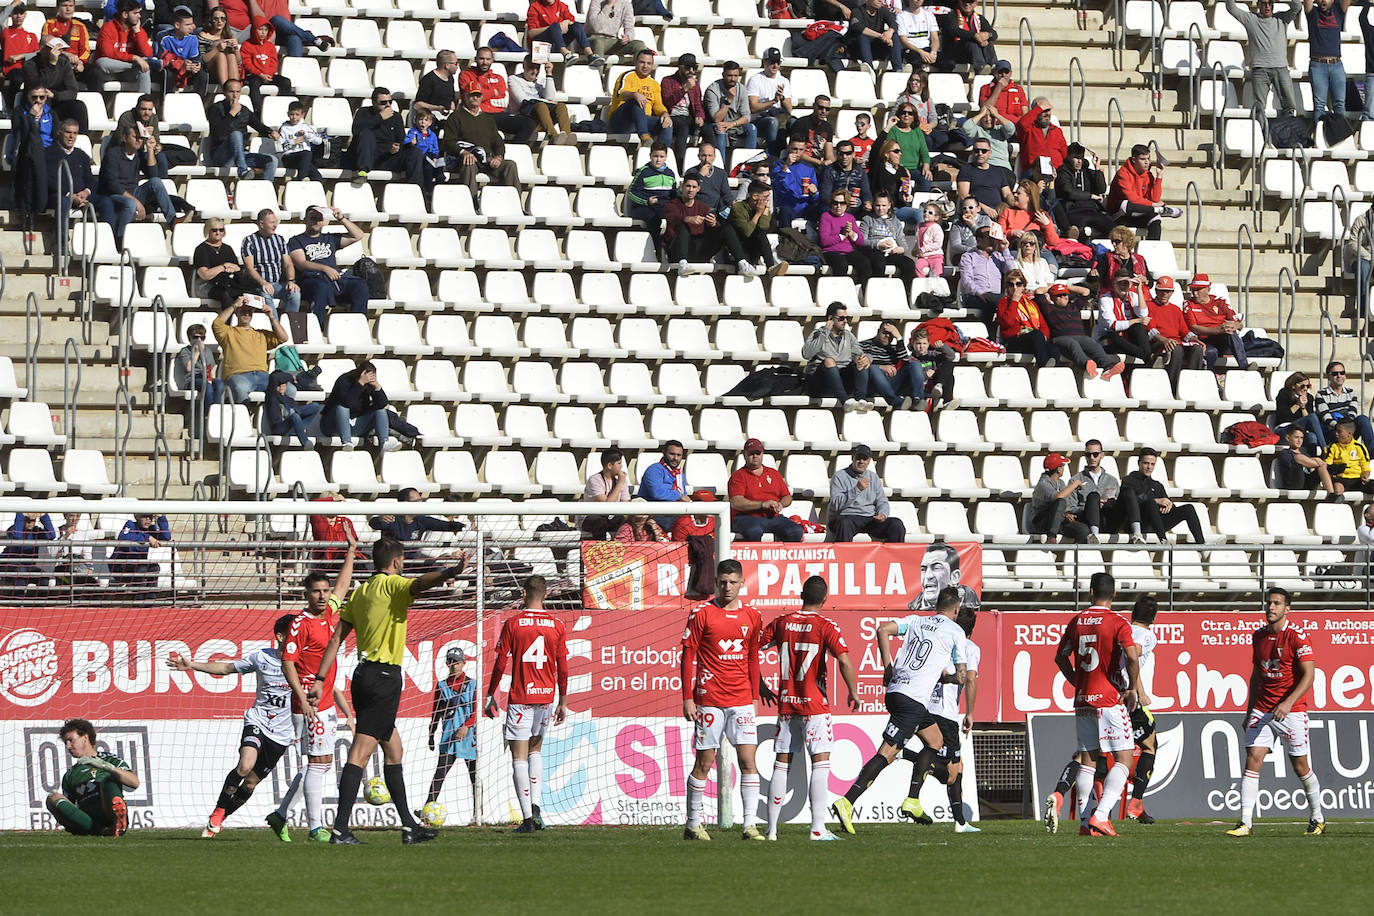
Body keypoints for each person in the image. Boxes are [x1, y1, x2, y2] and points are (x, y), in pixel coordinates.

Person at [309, 536, 464, 844]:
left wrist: (319, 678)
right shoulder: (393, 586)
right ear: (396, 562)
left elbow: (336, 639)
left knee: (394, 749)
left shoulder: (360, 593)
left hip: (363, 675)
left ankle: (409, 825)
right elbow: (419, 585)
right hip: (384, 676)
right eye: (402, 562)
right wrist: (449, 572)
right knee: (361, 751)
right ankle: (340, 829)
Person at [829, 586, 966, 835]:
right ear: (956, 609)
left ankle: (913, 799)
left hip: (897, 692)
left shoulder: (916, 621)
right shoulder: (956, 631)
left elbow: (883, 630)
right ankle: (847, 801)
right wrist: (952, 678)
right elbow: (962, 675)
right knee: (887, 754)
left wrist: (888, 667)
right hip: (912, 701)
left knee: (934, 740)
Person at [168, 614, 299, 837]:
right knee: (245, 766)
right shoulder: (262, 658)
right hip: (258, 720)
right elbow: (227, 668)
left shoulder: (304, 661)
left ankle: (223, 815)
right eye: (294, 633)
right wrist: (192, 666)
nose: (299, 637)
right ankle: (218, 811)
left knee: (249, 784)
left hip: (283, 734)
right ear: (279, 636)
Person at [266, 547, 358, 842]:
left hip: (325, 701)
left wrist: (352, 551)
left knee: (320, 763)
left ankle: (281, 814)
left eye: (324, 590)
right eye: (316, 591)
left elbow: (343, 586)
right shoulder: (300, 624)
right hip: (310, 701)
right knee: (318, 764)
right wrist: (302, 697)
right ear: (306, 594)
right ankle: (315, 828)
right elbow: (287, 663)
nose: (322, 595)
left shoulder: (329, 614)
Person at [760, 575, 860, 841]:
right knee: (821, 762)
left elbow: (751, 648)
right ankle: (817, 828)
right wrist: (853, 691)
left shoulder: (781, 622)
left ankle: (771, 830)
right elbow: (845, 661)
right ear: (825, 599)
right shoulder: (826, 625)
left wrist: (758, 682)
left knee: (782, 763)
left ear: (801, 594)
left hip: (787, 703)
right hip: (815, 704)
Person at [1043, 572, 1140, 837]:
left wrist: (1078, 682)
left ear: (1090, 593)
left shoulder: (1077, 621)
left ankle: (1086, 823)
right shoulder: (1117, 622)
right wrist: (1132, 687)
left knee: (1087, 760)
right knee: (1124, 758)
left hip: (1083, 698)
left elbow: (1060, 658)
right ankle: (1101, 815)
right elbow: (1132, 656)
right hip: (1109, 697)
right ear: (1115, 594)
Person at [1227, 587, 1326, 836]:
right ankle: (1245, 823)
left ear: (1287, 608)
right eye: (1269, 603)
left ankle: (1318, 818)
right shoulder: (1258, 636)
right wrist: (1249, 711)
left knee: (1300, 766)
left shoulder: (1297, 637)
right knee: (1252, 760)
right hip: (1262, 708)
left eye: (1277, 603)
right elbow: (1256, 676)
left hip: (1291, 711)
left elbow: (1309, 675)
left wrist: (1288, 702)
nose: (1271, 608)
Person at [680, 559, 765, 840]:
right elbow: (688, 655)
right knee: (705, 762)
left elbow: (753, 657)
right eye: (723, 582)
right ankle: (693, 824)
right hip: (710, 699)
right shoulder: (701, 613)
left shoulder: (752, 616)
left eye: (733, 582)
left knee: (748, 761)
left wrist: (754, 695)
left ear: (742, 583)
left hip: (741, 699)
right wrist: (688, 698)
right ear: (716, 583)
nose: (728, 587)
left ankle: (750, 825)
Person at [483, 576, 569, 833]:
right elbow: (562, 667)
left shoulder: (514, 622)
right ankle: (536, 807)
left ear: (523, 592)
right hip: (545, 696)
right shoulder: (557, 624)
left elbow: (500, 663)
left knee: (518, 756)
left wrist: (490, 694)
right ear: (546, 594)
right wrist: (563, 700)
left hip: (521, 697)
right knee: (536, 752)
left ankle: (528, 820)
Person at [897, 604, 980, 832]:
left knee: (957, 766)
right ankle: (909, 756)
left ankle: (960, 822)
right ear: (971, 630)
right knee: (951, 774)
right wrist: (970, 713)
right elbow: (970, 680)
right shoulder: (968, 647)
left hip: (924, 709)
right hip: (945, 714)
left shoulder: (940, 639)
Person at [45, 718, 137, 837]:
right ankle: (102, 831)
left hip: (108, 809)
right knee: (52, 797)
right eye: (65, 742)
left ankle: (117, 821)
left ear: (85, 737)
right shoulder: (70, 774)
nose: (68, 746)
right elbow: (68, 810)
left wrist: (108, 767)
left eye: (71, 740)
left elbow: (134, 782)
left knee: (109, 779)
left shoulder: (109, 759)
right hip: (89, 819)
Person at [96, 124, 178, 246]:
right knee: (131, 203)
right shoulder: (113, 154)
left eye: (140, 137)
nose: (139, 140)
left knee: (156, 182)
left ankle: (172, 221)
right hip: (112, 195)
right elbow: (113, 185)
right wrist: (137, 202)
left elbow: (153, 174)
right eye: (135, 137)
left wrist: (150, 150)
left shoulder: (138, 154)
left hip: (132, 192)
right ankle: (120, 240)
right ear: (124, 138)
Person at [289, 205, 368, 322]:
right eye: (313, 218)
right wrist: (324, 268)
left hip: (334, 280)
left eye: (320, 219)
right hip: (311, 281)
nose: (317, 222)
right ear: (305, 219)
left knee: (360, 287)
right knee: (321, 287)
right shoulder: (296, 240)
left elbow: (358, 235)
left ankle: (357, 325)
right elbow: (301, 263)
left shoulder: (330, 238)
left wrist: (341, 219)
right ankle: (317, 327)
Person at [1226, 0, 1299, 126]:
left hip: (1281, 67)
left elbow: (1297, 6)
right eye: (1264, 3)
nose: (1267, 6)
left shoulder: (1282, 19)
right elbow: (1231, 8)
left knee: (1290, 106)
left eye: (1270, 3)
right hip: (1260, 69)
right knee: (1259, 107)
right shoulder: (1251, 19)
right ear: (1258, 5)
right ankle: (1262, 136)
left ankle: (1289, 134)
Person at [424, 647, 478, 820]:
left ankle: (478, 814)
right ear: (447, 664)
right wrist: (431, 734)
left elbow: (475, 711)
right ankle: (427, 811)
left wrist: (467, 726)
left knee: (474, 776)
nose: (454, 665)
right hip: (448, 736)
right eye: (451, 662)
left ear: (464, 663)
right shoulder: (441, 686)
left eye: (458, 662)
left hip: (468, 737)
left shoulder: (472, 684)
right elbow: (436, 712)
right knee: (440, 773)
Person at [445, 82, 522, 195]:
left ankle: (515, 204)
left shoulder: (488, 119)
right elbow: (448, 142)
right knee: (469, 164)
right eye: (471, 95)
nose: (475, 98)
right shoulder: (455, 117)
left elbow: (498, 143)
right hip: (466, 159)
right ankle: (471, 204)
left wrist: (499, 157)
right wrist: (464, 153)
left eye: (478, 95)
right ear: (465, 96)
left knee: (510, 165)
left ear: (481, 97)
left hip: (487, 159)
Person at [212, 295, 289, 404]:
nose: (247, 314)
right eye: (243, 311)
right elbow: (216, 324)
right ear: (237, 313)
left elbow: (284, 338)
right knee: (240, 388)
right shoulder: (228, 332)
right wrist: (235, 305)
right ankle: (243, 417)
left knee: (290, 389)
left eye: (249, 312)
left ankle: (282, 418)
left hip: (263, 376)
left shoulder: (261, 334)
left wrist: (271, 317)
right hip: (238, 375)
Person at [1121, 447, 1206, 544]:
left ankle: (1201, 545)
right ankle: (1163, 540)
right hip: (1139, 523)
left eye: (1152, 464)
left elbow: (1165, 502)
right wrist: (1156, 501)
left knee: (1188, 508)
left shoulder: (1157, 485)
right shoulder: (1128, 480)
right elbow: (1128, 501)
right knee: (1150, 503)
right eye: (1146, 463)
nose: (1149, 467)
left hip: (1158, 522)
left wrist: (1169, 505)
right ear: (1139, 463)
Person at [323, 360, 413, 452]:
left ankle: (384, 443)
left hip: (355, 425)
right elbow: (347, 403)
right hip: (333, 425)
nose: (370, 379)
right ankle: (346, 443)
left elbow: (383, 404)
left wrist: (377, 386)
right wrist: (360, 384)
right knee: (341, 408)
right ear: (362, 374)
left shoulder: (369, 383)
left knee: (380, 409)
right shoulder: (344, 380)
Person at [1043, 284, 1124, 381]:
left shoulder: (1074, 306)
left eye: (1065, 294)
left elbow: (1085, 291)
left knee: (1091, 342)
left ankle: (1108, 366)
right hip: (1060, 338)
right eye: (1059, 295)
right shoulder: (1049, 308)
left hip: (1080, 337)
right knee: (1071, 343)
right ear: (1052, 297)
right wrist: (1052, 286)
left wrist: (1065, 287)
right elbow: (1038, 292)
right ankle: (1087, 363)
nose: (1064, 297)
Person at [802, 301, 872, 411]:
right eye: (841, 318)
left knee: (860, 360)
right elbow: (806, 354)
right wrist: (824, 333)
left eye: (846, 318)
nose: (845, 321)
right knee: (829, 361)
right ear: (830, 318)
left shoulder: (848, 335)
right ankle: (845, 401)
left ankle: (861, 399)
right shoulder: (818, 333)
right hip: (820, 381)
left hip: (842, 379)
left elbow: (859, 352)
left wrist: (867, 359)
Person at [728, 438, 802, 541]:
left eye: (758, 453)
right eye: (751, 453)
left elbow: (787, 496)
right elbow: (736, 502)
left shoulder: (773, 473)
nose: (755, 456)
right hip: (746, 517)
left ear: (762, 454)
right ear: (744, 455)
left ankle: (782, 556)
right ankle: (756, 557)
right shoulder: (738, 476)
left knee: (796, 531)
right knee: (754, 531)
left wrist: (781, 504)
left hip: (772, 516)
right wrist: (762, 504)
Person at [829, 443, 906, 542]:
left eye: (864, 459)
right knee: (844, 523)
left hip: (870, 518)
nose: (861, 462)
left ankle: (895, 557)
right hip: (847, 516)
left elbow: (882, 500)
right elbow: (836, 505)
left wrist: (883, 514)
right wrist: (856, 489)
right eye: (858, 458)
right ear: (852, 458)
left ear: (869, 461)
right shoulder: (839, 476)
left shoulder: (873, 477)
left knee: (896, 524)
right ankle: (845, 557)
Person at [1106, 143, 1182, 241]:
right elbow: (1132, 199)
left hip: (1138, 213)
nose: (1147, 162)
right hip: (1119, 216)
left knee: (1156, 218)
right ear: (1134, 160)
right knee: (1125, 204)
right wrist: (1154, 205)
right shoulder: (1123, 173)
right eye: (1143, 159)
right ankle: (1160, 210)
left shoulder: (1148, 175)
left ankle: (1152, 250)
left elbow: (1154, 199)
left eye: (1148, 159)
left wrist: (1159, 176)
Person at [347, 87, 423, 185]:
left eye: (390, 102)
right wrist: (380, 117)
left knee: (415, 152)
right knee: (367, 134)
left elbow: (400, 140)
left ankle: (414, 186)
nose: (388, 105)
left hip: (386, 157)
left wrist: (399, 147)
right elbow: (356, 130)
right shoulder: (363, 112)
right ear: (373, 103)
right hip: (367, 155)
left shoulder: (396, 116)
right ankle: (362, 172)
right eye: (383, 102)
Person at [369, 487, 467, 561]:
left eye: (421, 501)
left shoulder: (421, 520)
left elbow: (443, 525)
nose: (421, 504)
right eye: (417, 501)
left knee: (439, 568)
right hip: (393, 563)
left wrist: (461, 526)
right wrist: (379, 519)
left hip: (413, 563)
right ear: (405, 503)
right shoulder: (393, 519)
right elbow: (374, 524)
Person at [462, 46, 535, 141]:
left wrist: (481, 92)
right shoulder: (466, 75)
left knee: (528, 123)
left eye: (488, 59)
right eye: (481, 59)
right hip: (478, 115)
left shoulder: (499, 78)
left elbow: (502, 96)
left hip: (499, 114)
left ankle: (514, 151)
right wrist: (494, 92)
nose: (485, 62)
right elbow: (468, 98)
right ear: (476, 59)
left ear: (492, 60)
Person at [1145, 275, 1205, 388]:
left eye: (1167, 291)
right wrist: (1165, 340)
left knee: (1197, 348)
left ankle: (1191, 386)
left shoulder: (1176, 309)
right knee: (1176, 349)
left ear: (1172, 292)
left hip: (1176, 342)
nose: (1164, 294)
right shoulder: (1148, 306)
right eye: (1162, 291)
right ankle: (1172, 387)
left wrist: (1195, 340)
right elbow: (1151, 330)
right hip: (1159, 342)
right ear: (1156, 290)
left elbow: (1184, 331)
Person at [1182, 273, 1247, 372]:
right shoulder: (1188, 304)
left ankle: (1244, 367)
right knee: (1211, 351)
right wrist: (1218, 330)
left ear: (1208, 289)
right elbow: (1194, 328)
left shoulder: (1220, 302)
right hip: (1204, 340)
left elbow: (1239, 324)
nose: (1195, 294)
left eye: (1198, 290)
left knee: (1231, 333)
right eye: (1193, 290)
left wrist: (1234, 325)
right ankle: (1211, 379)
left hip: (1223, 340)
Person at [819, 190, 885, 287]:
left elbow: (860, 241)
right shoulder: (826, 217)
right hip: (830, 251)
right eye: (835, 203)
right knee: (841, 264)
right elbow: (824, 241)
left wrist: (851, 233)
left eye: (842, 203)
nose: (838, 206)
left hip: (848, 251)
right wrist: (842, 236)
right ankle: (840, 292)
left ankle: (861, 291)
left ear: (847, 205)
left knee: (865, 264)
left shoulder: (849, 217)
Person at [241, 208, 301, 313]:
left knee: (295, 293)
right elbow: (249, 268)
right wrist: (263, 283)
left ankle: (291, 324)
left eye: (276, 222)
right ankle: (275, 326)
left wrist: (291, 281)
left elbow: (288, 264)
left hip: (278, 284)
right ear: (261, 224)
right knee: (266, 295)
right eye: (272, 222)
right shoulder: (249, 241)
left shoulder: (279, 239)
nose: (275, 225)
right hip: (259, 285)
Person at [665, 175, 729, 272]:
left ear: (698, 189)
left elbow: (714, 230)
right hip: (677, 249)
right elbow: (672, 218)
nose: (690, 190)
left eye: (694, 187)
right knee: (683, 226)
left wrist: (713, 224)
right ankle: (682, 263)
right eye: (688, 186)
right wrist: (687, 219)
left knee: (724, 229)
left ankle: (741, 262)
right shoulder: (672, 204)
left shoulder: (704, 208)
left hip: (698, 249)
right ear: (682, 187)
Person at [608, 47, 671, 144]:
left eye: (649, 63)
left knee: (667, 123)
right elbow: (620, 94)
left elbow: (658, 105)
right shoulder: (627, 76)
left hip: (643, 120)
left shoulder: (654, 84)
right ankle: (644, 136)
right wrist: (634, 94)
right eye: (642, 62)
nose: (645, 66)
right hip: (622, 119)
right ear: (636, 62)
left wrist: (664, 114)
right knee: (636, 101)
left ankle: (661, 153)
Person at [625, 141, 676, 258]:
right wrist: (646, 201)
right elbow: (632, 192)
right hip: (644, 207)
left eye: (661, 156)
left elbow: (673, 194)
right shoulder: (644, 172)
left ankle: (671, 250)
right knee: (655, 219)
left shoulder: (670, 173)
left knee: (677, 217)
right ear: (650, 156)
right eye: (655, 156)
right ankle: (655, 252)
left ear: (666, 157)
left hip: (662, 206)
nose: (658, 160)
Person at [508, 55, 574, 144]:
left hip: (543, 121)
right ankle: (554, 137)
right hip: (525, 120)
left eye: (537, 68)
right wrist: (546, 101)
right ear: (524, 66)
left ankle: (567, 137)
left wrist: (549, 74)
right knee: (540, 105)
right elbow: (523, 101)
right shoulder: (513, 79)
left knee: (560, 106)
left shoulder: (541, 81)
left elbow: (550, 96)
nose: (535, 71)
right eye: (531, 67)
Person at [23, 36, 85, 130]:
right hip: (37, 104)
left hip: (58, 103)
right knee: (44, 101)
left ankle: (81, 140)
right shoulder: (30, 65)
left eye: (58, 49)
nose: (57, 52)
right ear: (42, 48)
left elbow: (73, 91)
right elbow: (39, 87)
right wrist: (51, 65)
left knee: (78, 106)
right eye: (52, 48)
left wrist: (54, 95)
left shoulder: (63, 63)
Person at [860, 191, 916, 294]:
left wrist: (900, 249)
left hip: (891, 252)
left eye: (884, 205)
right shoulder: (867, 220)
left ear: (889, 205)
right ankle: (876, 293)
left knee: (909, 264)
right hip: (874, 251)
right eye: (877, 205)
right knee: (879, 263)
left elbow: (903, 243)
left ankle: (904, 293)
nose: (880, 208)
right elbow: (861, 241)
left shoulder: (895, 222)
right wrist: (878, 244)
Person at [91, 0, 154, 93]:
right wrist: (134, 58)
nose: (139, 16)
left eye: (139, 13)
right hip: (109, 70)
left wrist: (137, 32)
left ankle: (145, 101)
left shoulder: (139, 30)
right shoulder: (108, 28)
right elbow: (107, 53)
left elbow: (148, 53)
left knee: (144, 68)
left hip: (128, 72)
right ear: (125, 14)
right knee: (102, 62)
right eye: (135, 13)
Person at [1304, 0, 1350, 124]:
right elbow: (1307, 2)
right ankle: (1320, 139)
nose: (1323, 0)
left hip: (1337, 64)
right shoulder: (1312, 13)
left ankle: (1339, 137)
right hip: (1318, 65)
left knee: (1340, 105)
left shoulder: (1338, 12)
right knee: (1319, 105)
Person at [996, 270, 1056, 367]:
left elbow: (1043, 325)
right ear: (1007, 287)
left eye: (1018, 284)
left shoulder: (1031, 304)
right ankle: (1043, 368)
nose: (1015, 288)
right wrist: (1014, 301)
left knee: (1054, 347)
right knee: (1037, 335)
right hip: (1014, 340)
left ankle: (1052, 372)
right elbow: (1007, 323)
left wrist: (1043, 336)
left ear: (1023, 286)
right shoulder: (1003, 302)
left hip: (1033, 339)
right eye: (1011, 285)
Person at [1054, 142, 1113, 241]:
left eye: (1081, 158)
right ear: (1068, 157)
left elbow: (1101, 189)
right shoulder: (1062, 172)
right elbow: (1069, 192)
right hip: (1073, 210)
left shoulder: (1087, 171)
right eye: (1076, 158)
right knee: (1080, 231)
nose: (1079, 161)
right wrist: (1090, 196)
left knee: (1112, 227)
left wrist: (1097, 168)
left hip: (1092, 210)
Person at [1029, 453, 1091, 543]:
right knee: (1060, 501)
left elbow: (1064, 506)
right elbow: (1058, 498)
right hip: (1041, 523)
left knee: (1083, 530)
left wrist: (1067, 515)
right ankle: (1051, 537)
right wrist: (1075, 484)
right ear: (1058, 469)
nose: (1063, 468)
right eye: (1063, 466)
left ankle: (1073, 555)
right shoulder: (1043, 484)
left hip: (1059, 521)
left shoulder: (1061, 483)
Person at [958, 225, 1014, 324]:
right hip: (975, 296)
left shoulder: (998, 256)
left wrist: (1005, 249)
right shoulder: (968, 257)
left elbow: (1013, 272)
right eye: (989, 236)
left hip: (996, 297)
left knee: (1008, 301)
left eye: (994, 237)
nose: (993, 240)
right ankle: (990, 333)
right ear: (979, 240)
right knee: (997, 302)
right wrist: (981, 293)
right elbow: (966, 281)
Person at [1314, 360, 1374, 451]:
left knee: (1363, 419)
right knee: (1335, 431)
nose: (1339, 376)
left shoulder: (1351, 393)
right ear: (1328, 376)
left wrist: (1347, 429)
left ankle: (1371, 452)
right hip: (1332, 431)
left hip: (1348, 429)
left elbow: (1352, 414)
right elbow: (1326, 418)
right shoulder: (1321, 394)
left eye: (1342, 373)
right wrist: (1341, 429)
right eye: (1335, 373)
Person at [729, 179, 783, 276]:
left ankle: (771, 267)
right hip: (739, 246)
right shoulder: (738, 208)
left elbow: (763, 227)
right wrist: (758, 214)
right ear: (754, 196)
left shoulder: (765, 208)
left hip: (755, 246)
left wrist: (765, 211)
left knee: (761, 234)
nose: (768, 200)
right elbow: (747, 231)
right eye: (766, 197)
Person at [110, 511, 170, 597]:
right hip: (120, 567)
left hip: (138, 566)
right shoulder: (130, 525)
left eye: (150, 517)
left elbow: (166, 537)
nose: (148, 519)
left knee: (154, 568)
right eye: (144, 516)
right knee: (142, 568)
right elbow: (125, 539)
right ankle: (139, 602)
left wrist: (161, 517)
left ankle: (150, 601)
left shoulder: (151, 529)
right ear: (136, 516)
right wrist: (147, 538)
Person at [660, 53, 705, 168]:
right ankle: (680, 165)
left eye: (694, 68)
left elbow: (698, 104)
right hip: (673, 116)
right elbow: (668, 102)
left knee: (709, 129)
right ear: (680, 67)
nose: (691, 71)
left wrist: (700, 116)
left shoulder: (695, 85)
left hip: (688, 117)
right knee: (683, 128)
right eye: (687, 67)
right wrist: (685, 88)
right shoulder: (668, 81)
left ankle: (712, 164)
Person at [746, 47, 793, 156]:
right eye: (772, 62)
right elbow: (753, 107)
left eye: (778, 62)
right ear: (764, 62)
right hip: (760, 118)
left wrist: (781, 98)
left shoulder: (784, 81)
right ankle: (773, 157)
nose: (775, 65)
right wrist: (772, 102)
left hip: (779, 115)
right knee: (773, 122)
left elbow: (789, 109)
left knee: (794, 123)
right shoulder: (755, 79)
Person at [194, 217, 251, 307]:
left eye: (221, 230)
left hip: (227, 282)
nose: (218, 233)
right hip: (208, 285)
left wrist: (231, 268)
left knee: (249, 293)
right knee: (225, 294)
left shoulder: (227, 249)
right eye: (214, 230)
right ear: (208, 230)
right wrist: (223, 267)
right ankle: (225, 321)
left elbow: (236, 268)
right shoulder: (201, 249)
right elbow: (205, 275)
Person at [1096, 273, 1152, 364]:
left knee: (1138, 327)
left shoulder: (1133, 296)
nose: (1122, 286)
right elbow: (1113, 325)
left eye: (1125, 283)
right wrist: (1137, 320)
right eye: (1119, 283)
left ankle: (1146, 355)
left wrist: (1139, 290)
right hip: (1109, 337)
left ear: (1130, 284)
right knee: (1116, 336)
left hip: (1127, 338)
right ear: (1114, 284)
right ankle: (1149, 357)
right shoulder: (1105, 298)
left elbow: (1143, 314)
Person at [703, 60, 756, 154]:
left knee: (751, 128)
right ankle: (721, 165)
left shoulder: (742, 89)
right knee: (720, 128)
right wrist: (728, 101)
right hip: (715, 125)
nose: (733, 79)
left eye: (736, 76)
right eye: (729, 75)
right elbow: (716, 119)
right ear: (723, 75)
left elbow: (747, 117)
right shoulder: (713, 89)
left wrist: (733, 124)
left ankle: (749, 164)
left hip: (735, 124)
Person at [241, 19, 292, 115]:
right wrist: (260, 74)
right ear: (254, 30)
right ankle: (258, 111)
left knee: (286, 82)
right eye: (260, 29)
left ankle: (281, 108)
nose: (263, 32)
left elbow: (274, 62)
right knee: (254, 84)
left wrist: (268, 74)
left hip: (269, 75)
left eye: (265, 30)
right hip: (254, 75)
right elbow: (246, 63)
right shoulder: (247, 45)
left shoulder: (270, 46)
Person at [525, 0, 599, 65]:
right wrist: (551, 28)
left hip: (556, 43)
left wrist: (566, 22)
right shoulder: (534, 7)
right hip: (541, 45)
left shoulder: (561, 6)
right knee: (555, 26)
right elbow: (531, 33)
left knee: (577, 26)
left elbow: (572, 22)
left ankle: (590, 55)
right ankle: (565, 54)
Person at [639, 439, 691, 528]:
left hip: (673, 514)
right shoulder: (654, 469)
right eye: (672, 454)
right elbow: (657, 493)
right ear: (664, 452)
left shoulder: (679, 473)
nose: (675, 458)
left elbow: (684, 495)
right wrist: (679, 496)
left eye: (679, 455)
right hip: (653, 515)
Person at [957, 138, 1014, 218]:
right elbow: (964, 195)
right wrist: (985, 208)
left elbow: (1007, 194)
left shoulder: (998, 171)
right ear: (973, 152)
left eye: (984, 151)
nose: (980, 153)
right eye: (977, 151)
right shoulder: (966, 170)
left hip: (999, 212)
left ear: (989, 153)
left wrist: (1015, 204)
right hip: (977, 213)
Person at [580, 446, 629, 539]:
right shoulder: (594, 480)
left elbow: (626, 503)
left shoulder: (621, 480)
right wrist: (620, 483)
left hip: (612, 517)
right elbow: (607, 505)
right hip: (591, 518)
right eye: (619, 463)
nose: (621, 466)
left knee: (625, 521)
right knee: (600, 522)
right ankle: (601, 550)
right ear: (610, 465)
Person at [264, 369, 321, 448]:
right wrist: (292, 377)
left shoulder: (289, 399)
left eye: (283, 384)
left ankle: (296, 424)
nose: (281, 387)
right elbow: (274, 377)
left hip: (291, 426)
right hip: (279, 427)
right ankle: (305, 443)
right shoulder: (271, 396)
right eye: (278, 385)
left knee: (315, 406)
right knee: (295, 416)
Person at [1271, 370, 1327, 450]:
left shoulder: (1309, 397)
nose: (1305, 389)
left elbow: (1310, 422)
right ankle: (1325, 449)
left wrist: (1303, 407)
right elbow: (1282, 417)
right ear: (1294, 385)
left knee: (1312, 437)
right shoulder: (1284, 393)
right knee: (1312, 417)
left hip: (1300, 433)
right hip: (1284, 430)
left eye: (1308, 386)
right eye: (1302, 386)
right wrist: (1297, 404)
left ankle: (1312, 460)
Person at [998, 179, 1061, 248]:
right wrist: (1012, 232)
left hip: (1038, 253)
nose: (1015, 195)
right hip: (1016, 250)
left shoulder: (1041, 215)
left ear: (1030, 197)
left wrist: (1047, 225)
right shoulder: (1008, 212)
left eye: (1018, 193)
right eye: (1015, 192)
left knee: (1050, 259)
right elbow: (998, 235)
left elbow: (1054, 242)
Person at [158, 8, 208, 95]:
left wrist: (195, 65)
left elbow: (195, 58)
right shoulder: (163, 37)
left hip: (187, 69)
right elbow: (162, 58)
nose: (192, 27)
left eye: (192, 23)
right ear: (177, 25)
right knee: (167, 74)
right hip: (171, 67)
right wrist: (180, 64)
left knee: (202, 75)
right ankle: (164, 102)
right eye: (187, 24)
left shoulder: (193, 38)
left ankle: (200, 103)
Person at [818, 139, 873, 217]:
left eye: (848, 153)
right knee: (824, 209)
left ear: (853, 154)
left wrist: (867, 203)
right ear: (837, 154)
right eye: (841, 153)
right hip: (835, 206)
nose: (844, 156)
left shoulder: (861, 172)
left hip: (855, 206)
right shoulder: (829, 171)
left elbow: (866, 192)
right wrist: (844, 201)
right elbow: (825, 195)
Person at [939, 0, 998, 72]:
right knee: (972, 42)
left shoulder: (980, 18)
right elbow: (953, 30)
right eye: (964, 1)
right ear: (959, 2)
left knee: (988, 42)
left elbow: (994, 34)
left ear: (976, 3)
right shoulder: (951, 15)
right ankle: (980, 67)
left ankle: (994, 66)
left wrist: (988, 35)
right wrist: (974, 36)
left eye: (970, 2)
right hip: (955, 53)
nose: (967, 4)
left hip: (971, 53)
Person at [906, 327, 957, 409]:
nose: (921, 347)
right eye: (918, 343)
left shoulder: (932, 354)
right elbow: (909, 378)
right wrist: (925, 375)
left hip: (935, 386)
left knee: (948, 365)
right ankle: (941, 394)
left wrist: (943, 347)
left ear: (929, 343)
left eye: (924, 344)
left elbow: (951, 356)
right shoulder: (910, 359)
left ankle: (945, 397)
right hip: (921, 388)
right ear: (913, 344)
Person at [1015, 98, 1067, 177]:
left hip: (1057, 170)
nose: (1047, 113)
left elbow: (1065, 153)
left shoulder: (1057, 130)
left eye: (1048, 110)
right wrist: (1039, 108)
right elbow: (1022, 124)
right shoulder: (1027, 129)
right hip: (1034, 170)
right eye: (1043, 110)